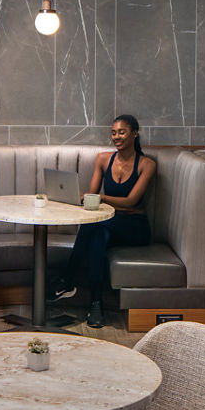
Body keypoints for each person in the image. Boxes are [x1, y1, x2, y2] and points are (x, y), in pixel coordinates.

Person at [49, 114, 156, 328]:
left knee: (97, 227)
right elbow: (91, 196)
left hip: (135, 228)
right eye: (113, 133)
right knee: (96, 232)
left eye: (122, 132)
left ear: (135, 134)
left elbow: (130, 201)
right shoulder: (103, 159)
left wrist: (99, 198)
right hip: (108, 224)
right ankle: (95, 304)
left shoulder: (147, 164)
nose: (116, 137)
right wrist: (80, 197)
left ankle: (68, 280)